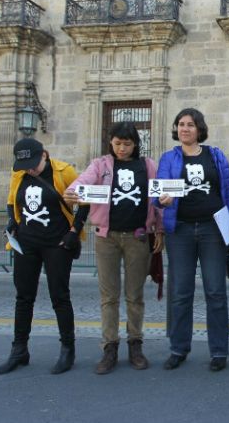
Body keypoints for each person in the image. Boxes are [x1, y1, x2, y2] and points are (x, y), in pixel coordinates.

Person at [63, 122, 164, 375]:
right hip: (106, 237)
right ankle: (109, 346)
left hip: (138, 237)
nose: (121, 148)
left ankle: (135, 343)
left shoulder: (148, 166)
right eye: (117, 143)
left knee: (135, 295)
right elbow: (83, 181)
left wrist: (159, 229)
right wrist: (73, 192)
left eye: (127, 144)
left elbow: (158, 198)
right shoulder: (101, 165)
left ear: (135, 144)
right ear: (111, 143)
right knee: (109, 296)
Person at [156, 108, 229, 372]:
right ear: (176, 129)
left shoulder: (215, 156)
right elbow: (157, 193)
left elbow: (227, 191)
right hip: (180, 231)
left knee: (215, 292)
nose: (185, 129)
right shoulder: (168, 158)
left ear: (199, 129)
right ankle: (178, 348)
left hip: (212, 230)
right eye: (181, 124)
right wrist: (162, 199)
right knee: (180, 293)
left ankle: (219, 351)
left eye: (190, 125)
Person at [0, 138, 89, 375]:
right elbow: (11, 201)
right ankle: (19, 350)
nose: (29, 169)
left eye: (33, 164)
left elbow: (84, 201)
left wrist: (73, 231)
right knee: (23, 297)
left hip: (56, 243)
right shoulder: (20, 174)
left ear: (44, 155)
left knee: (59, 296)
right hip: (26, 243)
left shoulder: (64, 171)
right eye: (25, 165)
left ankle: (68, 349)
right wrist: (12, 222)